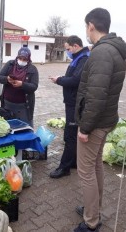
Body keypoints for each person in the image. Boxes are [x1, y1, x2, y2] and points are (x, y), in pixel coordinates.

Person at [74, 8, 126, 232]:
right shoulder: (113, 50)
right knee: (95, 166)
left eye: (86, 27)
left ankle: (91, 222)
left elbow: (96, 96)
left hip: (96, 123)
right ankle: (93, 210)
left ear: (91, 25)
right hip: (106, 119)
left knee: (85, 171)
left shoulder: (101, 52)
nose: (86, 32)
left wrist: (85, 128)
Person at [48, 35, 89, 179]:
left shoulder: (84, 59)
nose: (67, 52)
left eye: (68, 49)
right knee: (72, 134)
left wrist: (59, 80)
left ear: (76, 46)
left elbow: (76, 80)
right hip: (72, 101)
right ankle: (74, 161)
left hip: (76, 103)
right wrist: (62, 78)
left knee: (70, 135)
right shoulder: (79, 58)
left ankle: (64, 167)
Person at [0, 47, 38, 127]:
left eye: (25, 59)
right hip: (8, 104)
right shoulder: (10, 64)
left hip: (23, 106)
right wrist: (7, 79)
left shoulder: (32, 69)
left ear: (29, 59)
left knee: (24, 128)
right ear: (17, 57)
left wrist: (22, 84)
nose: (22, 60)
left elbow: (34, 86)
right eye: (20, 58)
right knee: (8, 127)